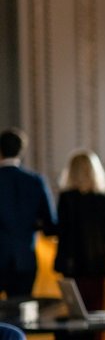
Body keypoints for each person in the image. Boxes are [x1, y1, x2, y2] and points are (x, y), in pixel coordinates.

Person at [54, 150, 105, 311]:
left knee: (75, 311)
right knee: (96, 310)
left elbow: (62, 232)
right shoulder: (103, 200)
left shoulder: (66, 198)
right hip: (96, 263)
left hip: (71, 264)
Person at [0, 128, 57, 298]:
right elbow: (50, 224)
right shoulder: (35, 181)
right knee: (21, 309)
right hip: (25, 258)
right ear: (21, 151)